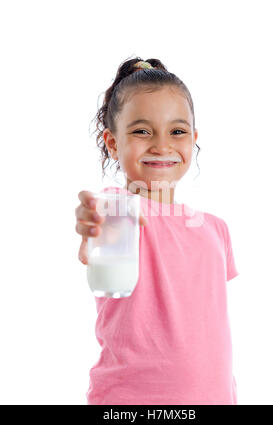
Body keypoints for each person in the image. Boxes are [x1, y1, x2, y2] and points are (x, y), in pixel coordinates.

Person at [75, 57, 239, 405]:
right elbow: (101, 219)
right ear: (113, 142)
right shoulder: (117, 210)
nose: (162, 145)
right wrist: (93, 222)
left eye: (177, 131)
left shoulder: (216, 229)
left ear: (193, 138)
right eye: (141, 131)